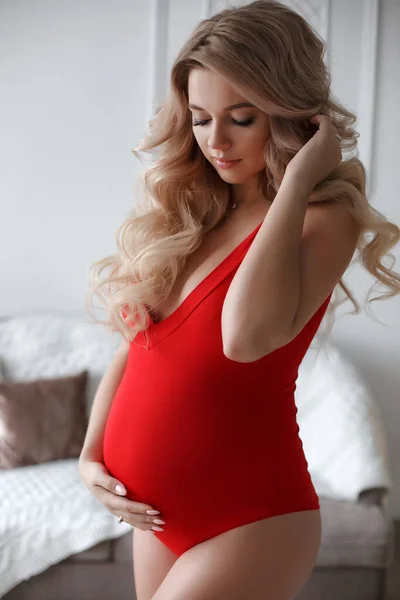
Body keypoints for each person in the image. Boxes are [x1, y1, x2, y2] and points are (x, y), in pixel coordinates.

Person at [79, 1, 400, 599]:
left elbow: (244, 337)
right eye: (200, 118)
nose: (215, 141)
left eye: (242, 118)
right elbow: (138, 350)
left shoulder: (321, 218)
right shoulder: (194, 215)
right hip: (156, 517)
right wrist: (90, 454)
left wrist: (298, 179)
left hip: (251, 519)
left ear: (290, 116)